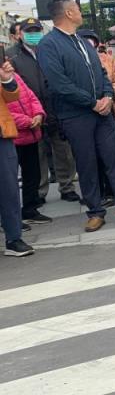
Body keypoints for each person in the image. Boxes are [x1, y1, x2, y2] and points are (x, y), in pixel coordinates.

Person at [36, 0, 115, 233]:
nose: (79, 12)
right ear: (67, 14)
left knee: (114, 159)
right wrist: (92, 103)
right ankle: (95, 211)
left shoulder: (83, 43)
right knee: (86, 164)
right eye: (76, 8)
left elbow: (102, 75)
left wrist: (106, 96)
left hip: (102, 112)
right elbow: (58, 84)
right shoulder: (49, 45)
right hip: (76, 115)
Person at [7, 18, 79, 202]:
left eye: (36, 30)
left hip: (56, 108)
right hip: (31, 114)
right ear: (20, 34)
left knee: (64, 152)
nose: (33, 34)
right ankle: (40, 191)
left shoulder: (49, 49)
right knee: (37, 156)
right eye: (29, 31)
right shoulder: (11, 57)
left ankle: (67, 186)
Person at [79, 30, 115, 203]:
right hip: (89, 113)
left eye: (91, 41)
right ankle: (98, 192)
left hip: (113, 111)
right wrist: (94, 100)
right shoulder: (76, 63)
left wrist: (106, 97)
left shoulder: (108, 60)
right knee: (93, 155)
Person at [7, 71, 51, 225]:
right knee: (9, 180)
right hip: (11, 137)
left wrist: (38, 114)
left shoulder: (13, 75)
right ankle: (9, 219)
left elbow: (31, 96)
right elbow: (4, 113)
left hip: (31, 134)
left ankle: (30, 209)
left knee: (33, 174)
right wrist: (26, 121)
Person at [0, 58, 33, 257]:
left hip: (2, 135)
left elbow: (13, 95)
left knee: (9, 189)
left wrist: (6, 79)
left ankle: (13, 238)